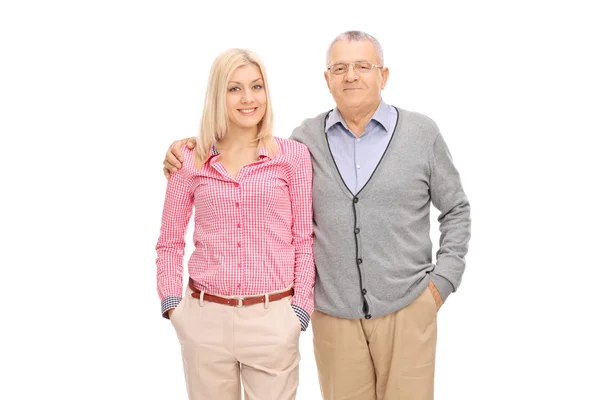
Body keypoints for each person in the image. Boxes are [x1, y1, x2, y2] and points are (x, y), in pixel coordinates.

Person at [163, 31, 471, 400]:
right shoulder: (305, 140)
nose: (351, 76)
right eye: (339, 67)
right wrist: (188, 145)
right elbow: (175, 235)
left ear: (383, 75)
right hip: (330, 316)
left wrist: (440, 286)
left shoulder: (419, 134)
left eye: (362, 66)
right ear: (327, 79)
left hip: (406, 306)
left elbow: (456, 209)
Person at [156, 48, 315, 400]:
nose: (248, 98)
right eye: (235, 88)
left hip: (273, 318)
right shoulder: (188, 159)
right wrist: (173, 306)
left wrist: (299, 311)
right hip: (203, 318)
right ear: (218, 95)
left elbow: (304, 239)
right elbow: (170, 242)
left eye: (256, 87)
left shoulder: (292, 157)